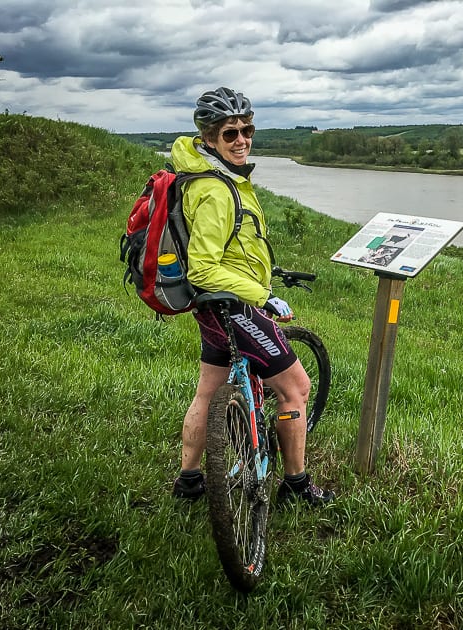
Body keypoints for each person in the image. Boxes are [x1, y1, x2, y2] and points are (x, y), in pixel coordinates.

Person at [169, 87, 333, 506]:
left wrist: (265, 272)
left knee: (208, 391)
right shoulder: (215, 191)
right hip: (233, 306)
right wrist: (262, 294)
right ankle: (296, 487)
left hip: (213, 309)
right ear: (208, 138)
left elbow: (230, 247)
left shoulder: (215, 178)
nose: (241, 140)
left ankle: (189, 482)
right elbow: (203, 267)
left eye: (248, 130)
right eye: (230, 134)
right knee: (296, 388)